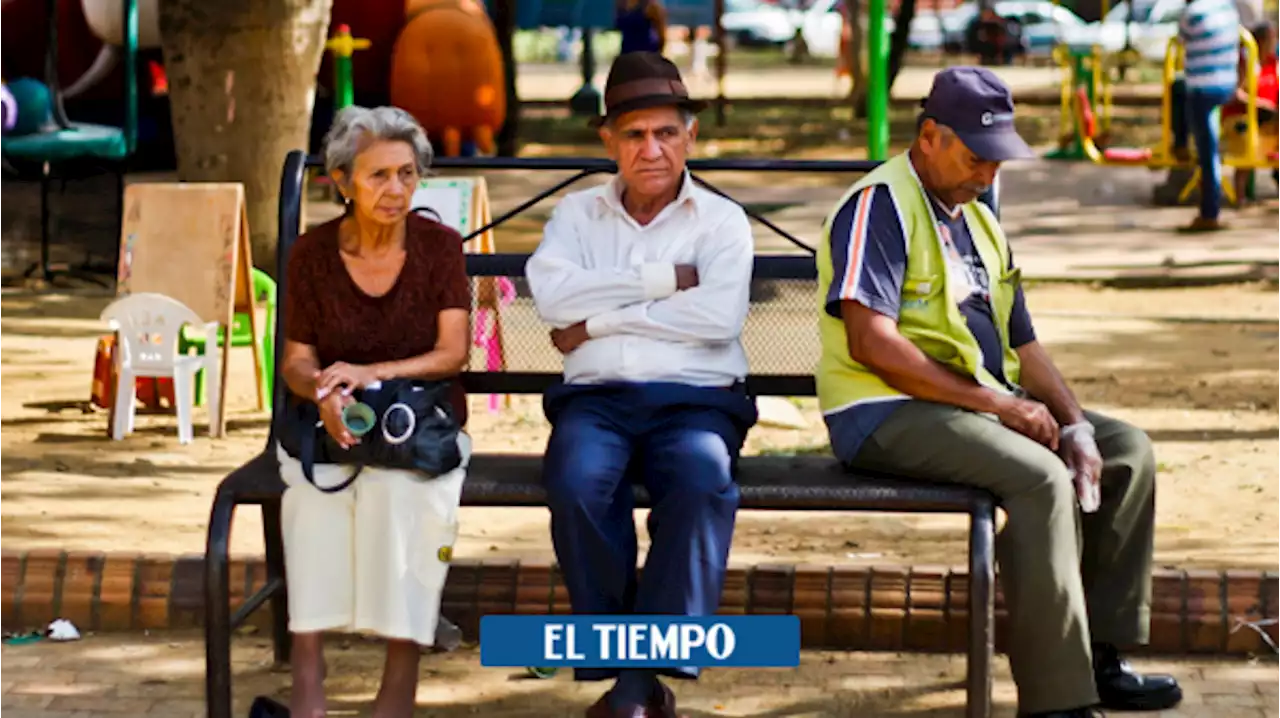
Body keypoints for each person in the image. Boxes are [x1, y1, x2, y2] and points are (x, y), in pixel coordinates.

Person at [815, 67, 1184, 718]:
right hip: (882, 410)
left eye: (998, 160)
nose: (988, 173)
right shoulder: (880, 204)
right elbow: (871, 344)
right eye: (977, 156)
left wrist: (1073, 423)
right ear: (929, 136)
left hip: (966, 405)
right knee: (1040, 477)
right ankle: (1057, 701)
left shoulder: (979, 221)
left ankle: (1100, 657)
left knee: (1126, 453)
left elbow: (1026, 345)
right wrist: (1000, 406)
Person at [525, 51, 758, 718]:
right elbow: (550, 299)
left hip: (696, 402)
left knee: (701, 478)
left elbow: (717, 318)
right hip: (596, 403)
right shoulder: (577, 217)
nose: (651, 150)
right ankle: (632, 677)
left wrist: (597, 320)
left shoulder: (720, 222)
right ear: (608, 141)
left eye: (666, 133)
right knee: (574, 483)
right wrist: (661, 284)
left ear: (690, 137)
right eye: (633, 134)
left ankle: (633, 686)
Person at [278, 105, 473, 718]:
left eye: (407, 175)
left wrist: (371, 375)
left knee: (404, 496)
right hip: (328, 425)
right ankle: (307, 674)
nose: (396, 191)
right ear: (341, 181)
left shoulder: (439, 248)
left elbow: (452, 353)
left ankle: (399, 679)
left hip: (422, 426)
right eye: (378, 176)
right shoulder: (311, 255)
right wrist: (324, 392)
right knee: (312, 494)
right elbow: (295, 361)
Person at [1170, 0, 1241, 231]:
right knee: (1209, 144)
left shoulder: (1192, 13)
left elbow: (1181, 39)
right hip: (1227, 83)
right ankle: (1180, 143)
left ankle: (1210, 211)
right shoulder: (1227, 8)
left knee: (1207, 150)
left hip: (1202, 87)